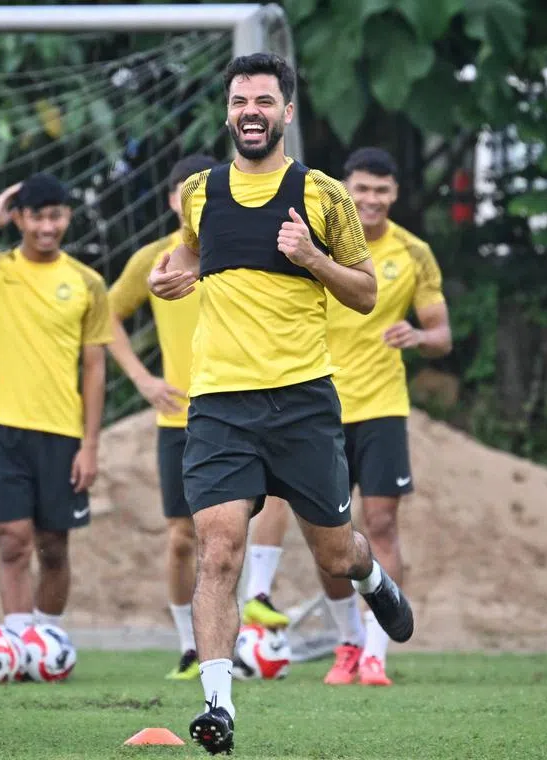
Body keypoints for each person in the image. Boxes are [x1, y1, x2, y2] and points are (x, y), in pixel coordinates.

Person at [147, 53, 414, 755]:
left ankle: (372, 575)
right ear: (229, 111)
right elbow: (200, 253)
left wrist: (313, 260)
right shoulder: (201, 192)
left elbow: (365, 292)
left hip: (301, 404)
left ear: (287, 112)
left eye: (264, 101)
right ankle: (217, 706)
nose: (252, 112)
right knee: (219, 550)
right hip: (220, 405)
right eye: (241, 102)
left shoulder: (323, 195)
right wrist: (178, 276)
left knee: (333, 555)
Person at [244, 147, 452, 687]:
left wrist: (420, 336)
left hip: (382, 408)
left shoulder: (414, 252)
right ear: (346, 189)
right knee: (327, 534)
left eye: (382, 191)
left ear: (395, 195)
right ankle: (347, 642)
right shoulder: (307, 239)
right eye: (362, 189)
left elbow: (442, 334)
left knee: (381, 523)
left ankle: (377, 651)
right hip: (319, 407)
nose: (372, 200)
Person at [0, 173, 111, 636]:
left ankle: (46, 641)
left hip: (61, 432)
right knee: (13, 542)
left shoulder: (87, 283)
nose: (47, 227)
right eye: (37, 217)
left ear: (67, 217)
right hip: (0, 426)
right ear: (20, 219)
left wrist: (90, 444)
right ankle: (16, 645)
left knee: (53, 546)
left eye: (56, 216)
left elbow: (94, 368)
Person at [106, 152, 226, 679]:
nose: (190, 200)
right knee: (182, 537)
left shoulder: (237, 251)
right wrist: (142, 378)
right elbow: (105, 316)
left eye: (199, 189)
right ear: (171, 198)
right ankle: (188, 647)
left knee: (227, 537)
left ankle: (232, 645)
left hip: (236, 411)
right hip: (179, 421)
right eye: (182, 191)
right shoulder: (152, 259)